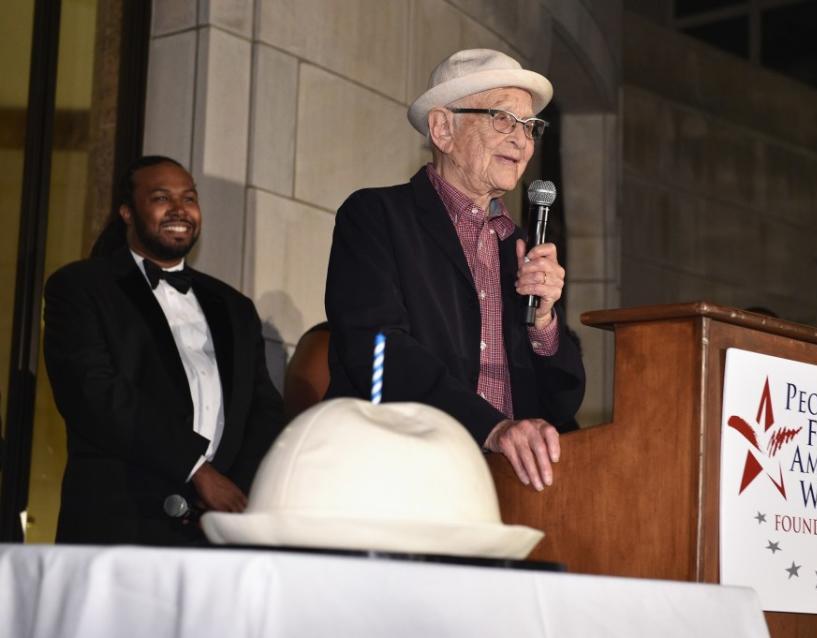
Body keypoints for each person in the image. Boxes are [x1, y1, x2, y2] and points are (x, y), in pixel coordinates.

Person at [325, 49, 585, 492]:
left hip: (510, 486)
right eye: (503, 118)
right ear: (443, 129)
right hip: (400, 473)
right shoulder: (377, 216)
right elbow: (379, 352)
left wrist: (544, 322)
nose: (522, 142)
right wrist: (491, 427)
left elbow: (562, 404)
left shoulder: (521, 247)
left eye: (529, 127)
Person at [43, 155, 285, 545]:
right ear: (126, 211)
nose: (179, 209)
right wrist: (197, 470)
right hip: (119, 524)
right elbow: (94, 394)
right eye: (161, 197)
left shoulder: (234, 306)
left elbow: (263, 408)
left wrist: (234, 489)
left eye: (189, 198)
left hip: (216, 529)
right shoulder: (81, 287)